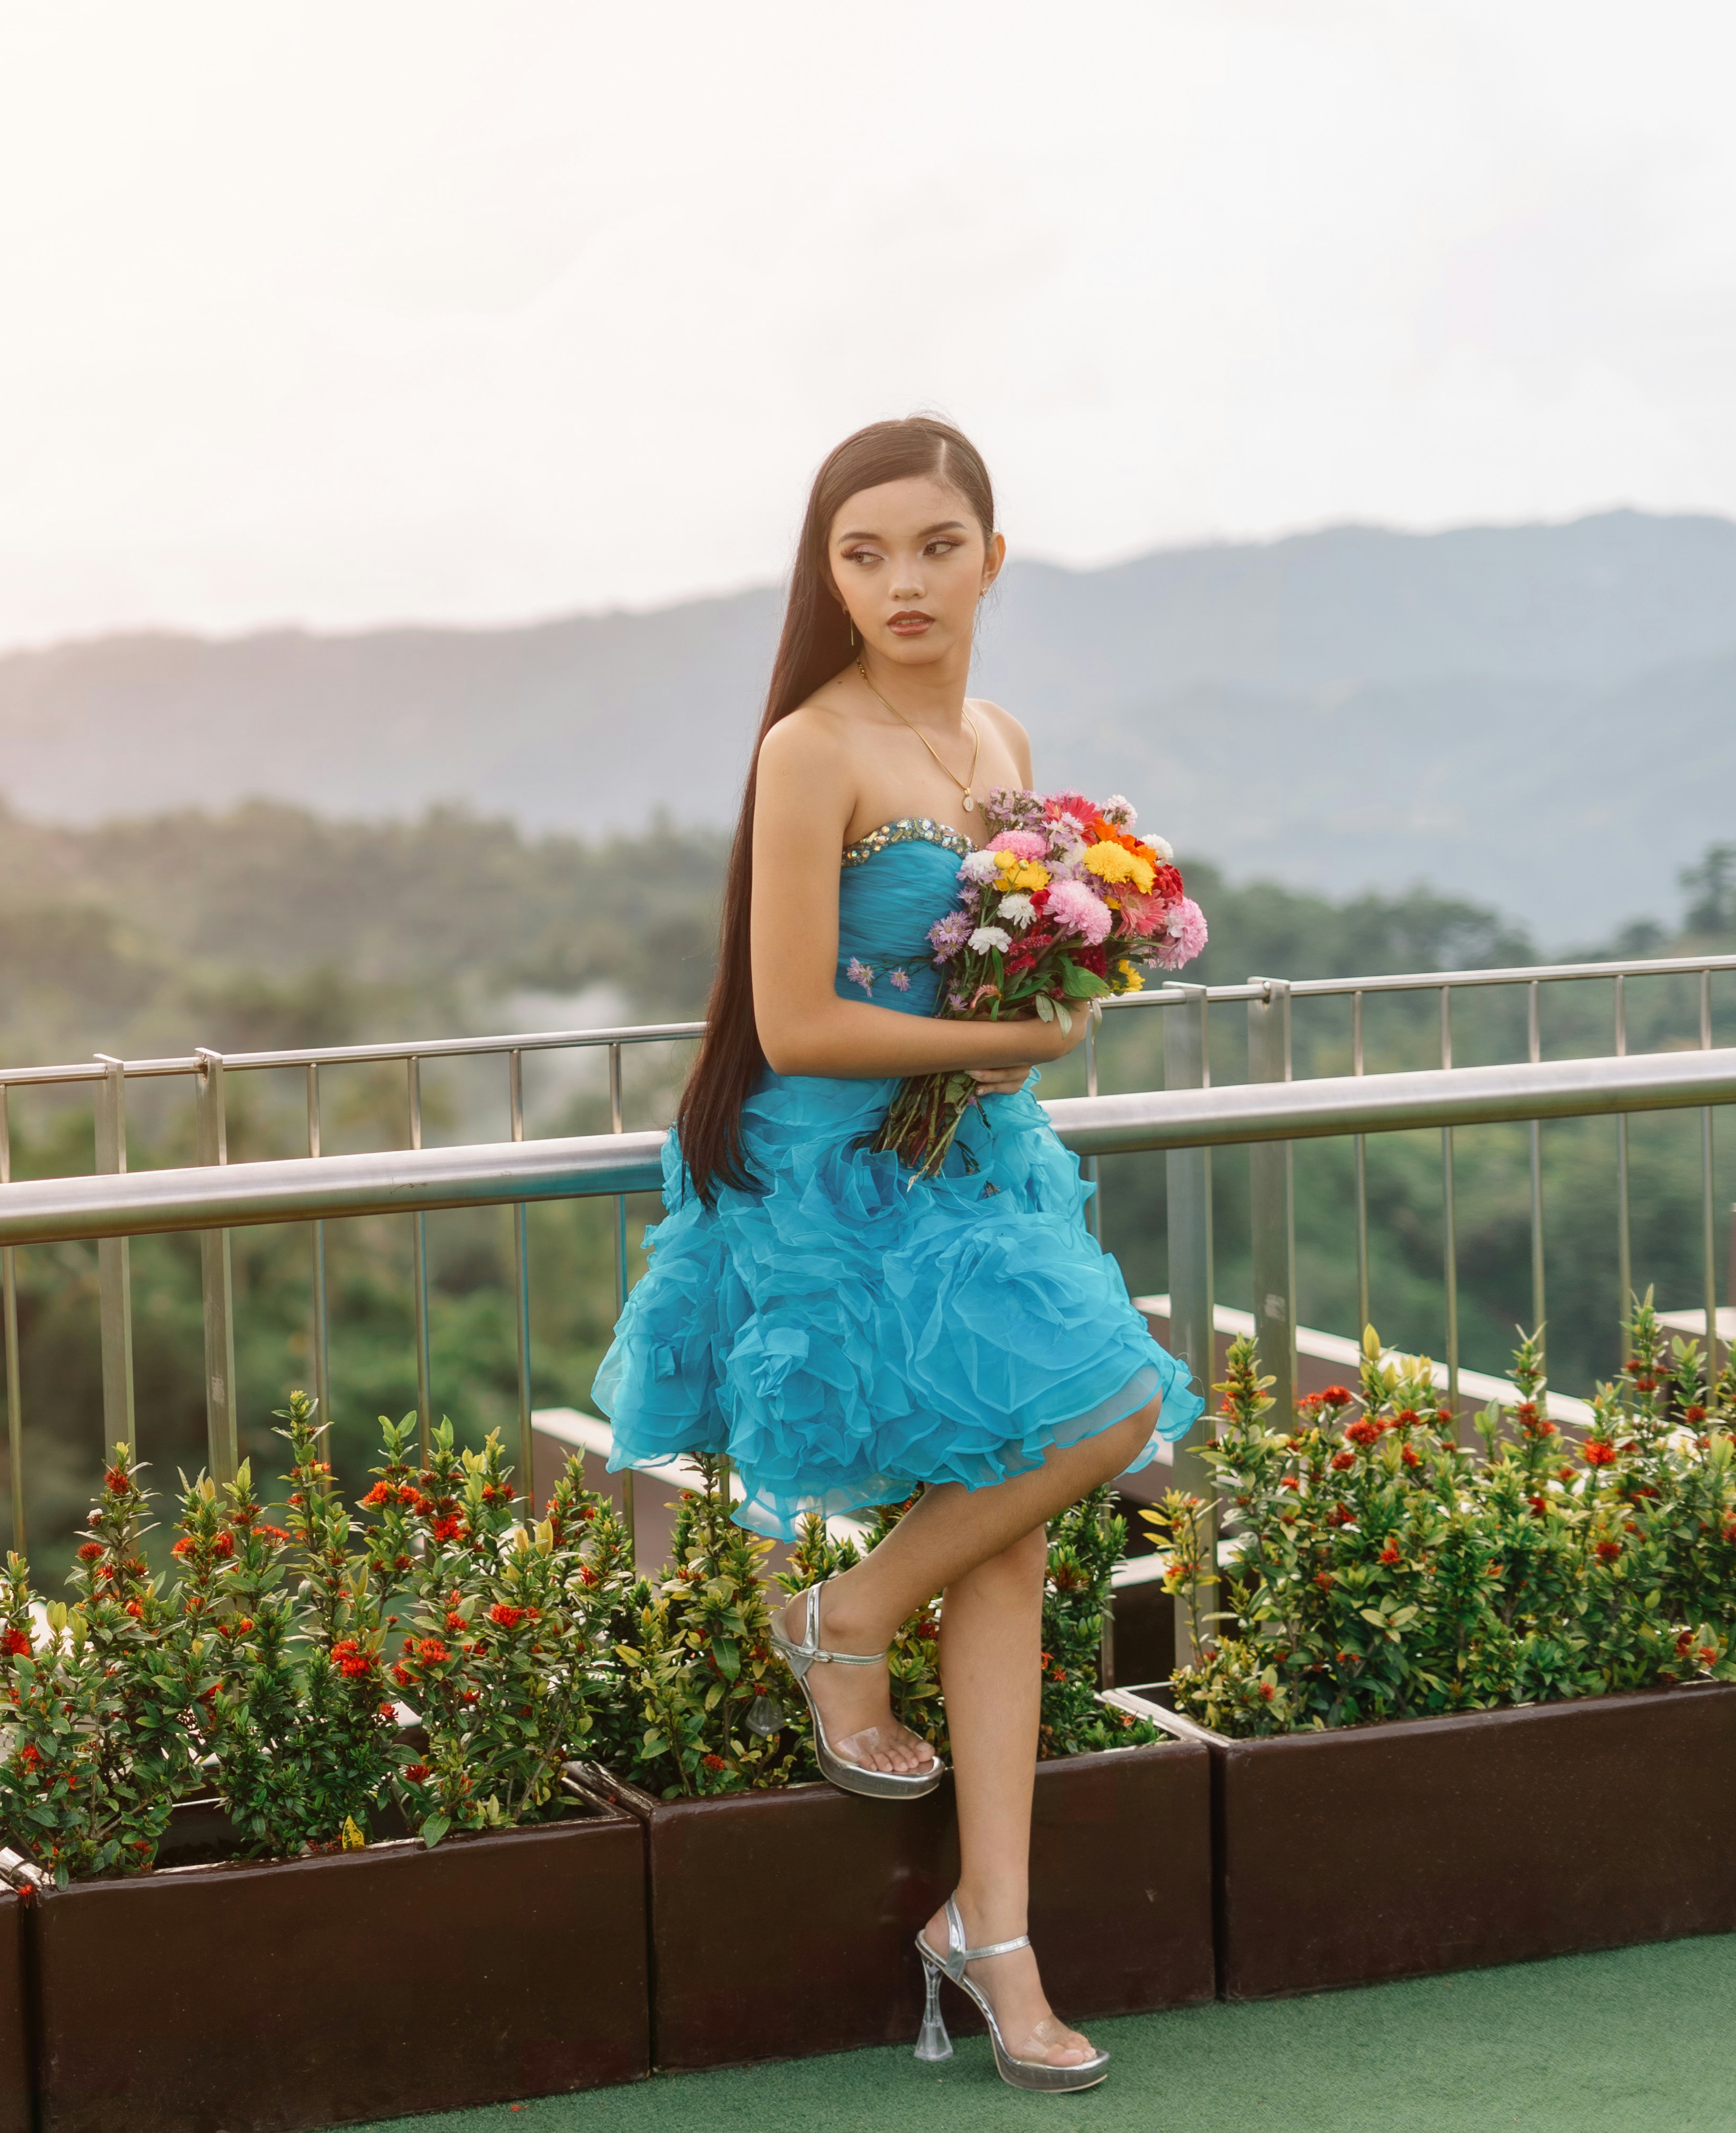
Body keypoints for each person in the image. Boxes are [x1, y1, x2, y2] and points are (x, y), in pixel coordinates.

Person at [590, 415, 1202, 2094]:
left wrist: (1048, 998)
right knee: (1110, 1413)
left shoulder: (999, 733)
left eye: (934, 547)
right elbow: (794, 1016)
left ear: (992, 557)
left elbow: (990, 971)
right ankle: (847, 1620)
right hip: (848, 1175)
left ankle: (990, 1936)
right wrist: (1013, 1046)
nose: (899, 583)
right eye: (862, 555)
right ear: (828, 574)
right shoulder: (813, 745)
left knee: (1009, 1542)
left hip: (983, 1173)